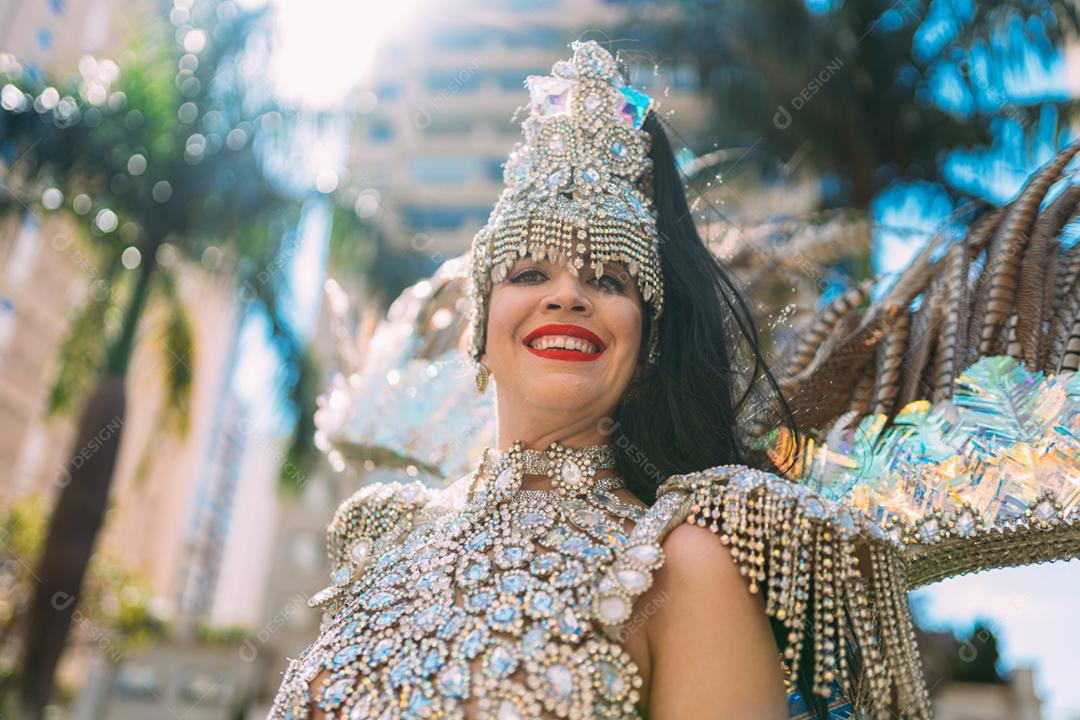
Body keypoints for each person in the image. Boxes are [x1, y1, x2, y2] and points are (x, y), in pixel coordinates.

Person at [270, 41, 933, 720]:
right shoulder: (384, 534)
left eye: (608, 278)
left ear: (646, 347)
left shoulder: (682, 565)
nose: (566, 296)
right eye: (530, 273)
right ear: (480, 331)